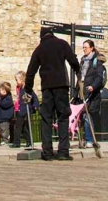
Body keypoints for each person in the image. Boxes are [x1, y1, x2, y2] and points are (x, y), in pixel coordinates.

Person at [25, 27, 79, 161]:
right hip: (61, 86)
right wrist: (78, 72)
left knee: (46, 119)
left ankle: (47, 152)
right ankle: (63, 152)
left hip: (47, 87)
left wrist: (28, 89)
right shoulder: (62, 44)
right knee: (63, 117)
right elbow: (73, 60)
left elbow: (31, 71)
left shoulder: (39, 49)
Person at [76, 39, 106, 148]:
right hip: (82, 91)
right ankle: (86, 138)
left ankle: (89, 139)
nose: (84, 49)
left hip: (91, 93)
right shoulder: (83, 60)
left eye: (86, 47)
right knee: (83, 116)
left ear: (92, 48)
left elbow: (99, 77)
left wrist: (93, 86)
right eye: (83, 47)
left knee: (87, 115)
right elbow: (80, 76)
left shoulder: (96, 61)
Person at [11, 71, 38, 148]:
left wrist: (35, 105)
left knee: (18, 127)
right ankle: (29, 141)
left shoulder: (26, 89)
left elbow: (34, 97)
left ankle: (16, 142)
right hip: (19, 110)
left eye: (17, 80)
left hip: (24, 110)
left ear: (22, 80)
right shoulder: (19, 89)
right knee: (23, 127)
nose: (16, 82)